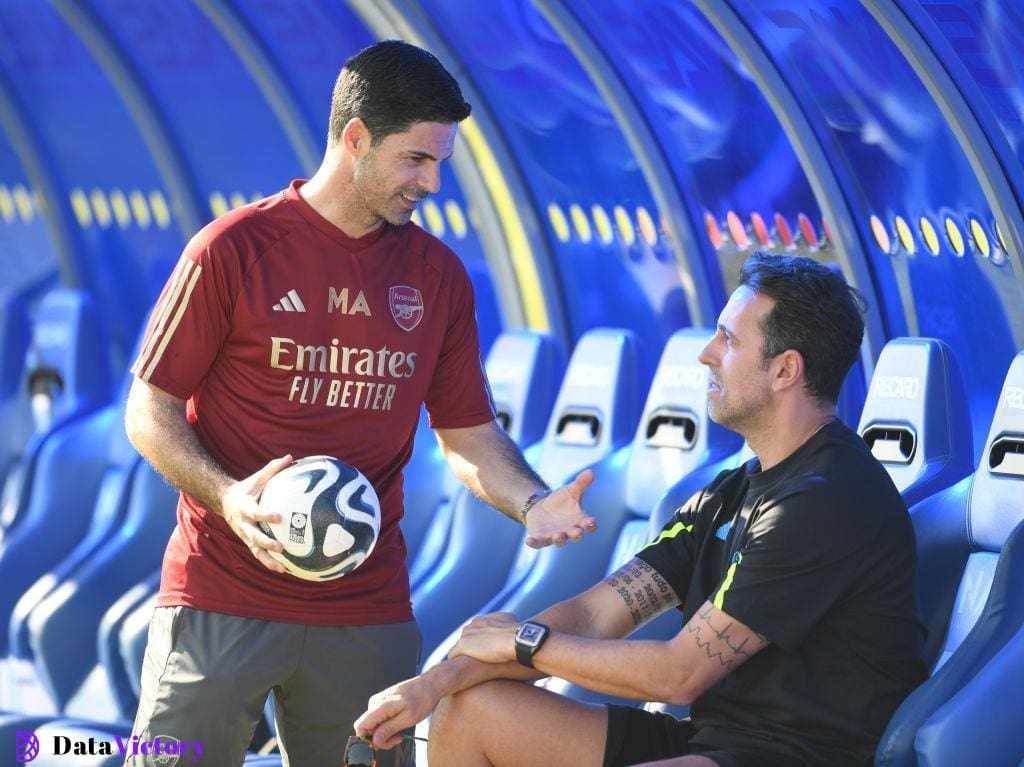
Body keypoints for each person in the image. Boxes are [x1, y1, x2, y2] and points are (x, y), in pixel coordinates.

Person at [123, 40, 596, 767]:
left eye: (442, 162)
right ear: (355, 139)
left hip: (366, 612)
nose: (433, 183)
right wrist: (228, 498)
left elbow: (468, 433)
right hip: (220, 593)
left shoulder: (439, 277)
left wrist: (532, 502)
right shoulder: (231, 249)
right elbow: (148, 409)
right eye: (417, 159)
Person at [355, 253, 929, 767]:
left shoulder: (827, 498)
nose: (707, 354)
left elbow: (680, 675)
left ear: (785, 370)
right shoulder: (732, 490)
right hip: (717, 739)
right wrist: (436, 681)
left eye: (728, 340)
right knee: (467, 709)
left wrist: (523, 640)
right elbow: (595, 616)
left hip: (802, 755)